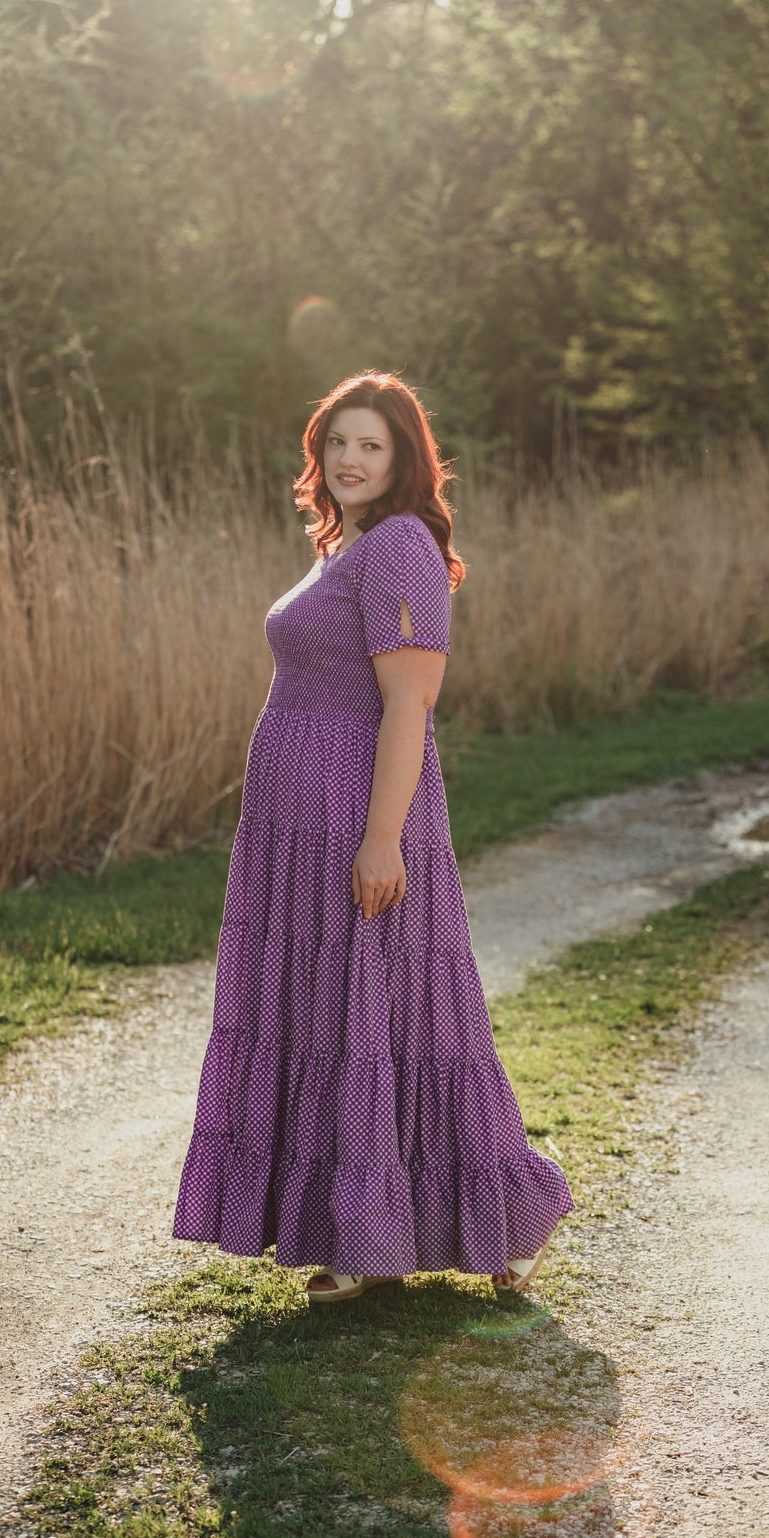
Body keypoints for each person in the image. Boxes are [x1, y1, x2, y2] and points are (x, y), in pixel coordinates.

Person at [172, 371, 573, 1302]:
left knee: (385, 1013)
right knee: (326, 1013)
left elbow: (410, 702)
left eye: (371, 446)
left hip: (359, 814)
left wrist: (382, 836)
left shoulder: (398, 545)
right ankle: (350, 1228)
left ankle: (483, 1216)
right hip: (293, 828)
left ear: (403, 461)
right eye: (338, 442)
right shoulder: (343, 543)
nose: (349, 459)